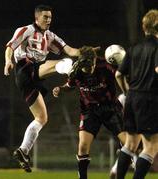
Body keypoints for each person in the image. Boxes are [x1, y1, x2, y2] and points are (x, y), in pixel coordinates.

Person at [4, 4, 81, 172]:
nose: (48, 20)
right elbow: (10, 46)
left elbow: (69, 49)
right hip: (25, 69)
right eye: (45, 17)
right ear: (36, 17)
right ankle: (73, 74)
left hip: (31, 79)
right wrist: (8, 61)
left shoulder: (50, 36)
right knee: (65, 63)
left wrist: (84, 52)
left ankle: (23, 151)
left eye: (50, 17)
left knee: (42, 117)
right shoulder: (25, 30)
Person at [52, 46, 126, 179]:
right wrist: (60, 89)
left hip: (111, 108)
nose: (88, 71)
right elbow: (69, 86)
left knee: (128, 144)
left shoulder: (106, 65)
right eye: (85, 68)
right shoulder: (76, 70)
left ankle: (122, 169)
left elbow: (122, 73)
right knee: (83, 146)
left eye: (90, 67)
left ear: (95, 60)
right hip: (89, 110)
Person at [115, 9, 158, 179]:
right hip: (149, 99)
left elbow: (119, 74)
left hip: (132, 97)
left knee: (130, 144)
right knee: (151, 147)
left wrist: (127, 93)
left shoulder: (134, 48)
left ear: (143, 26)